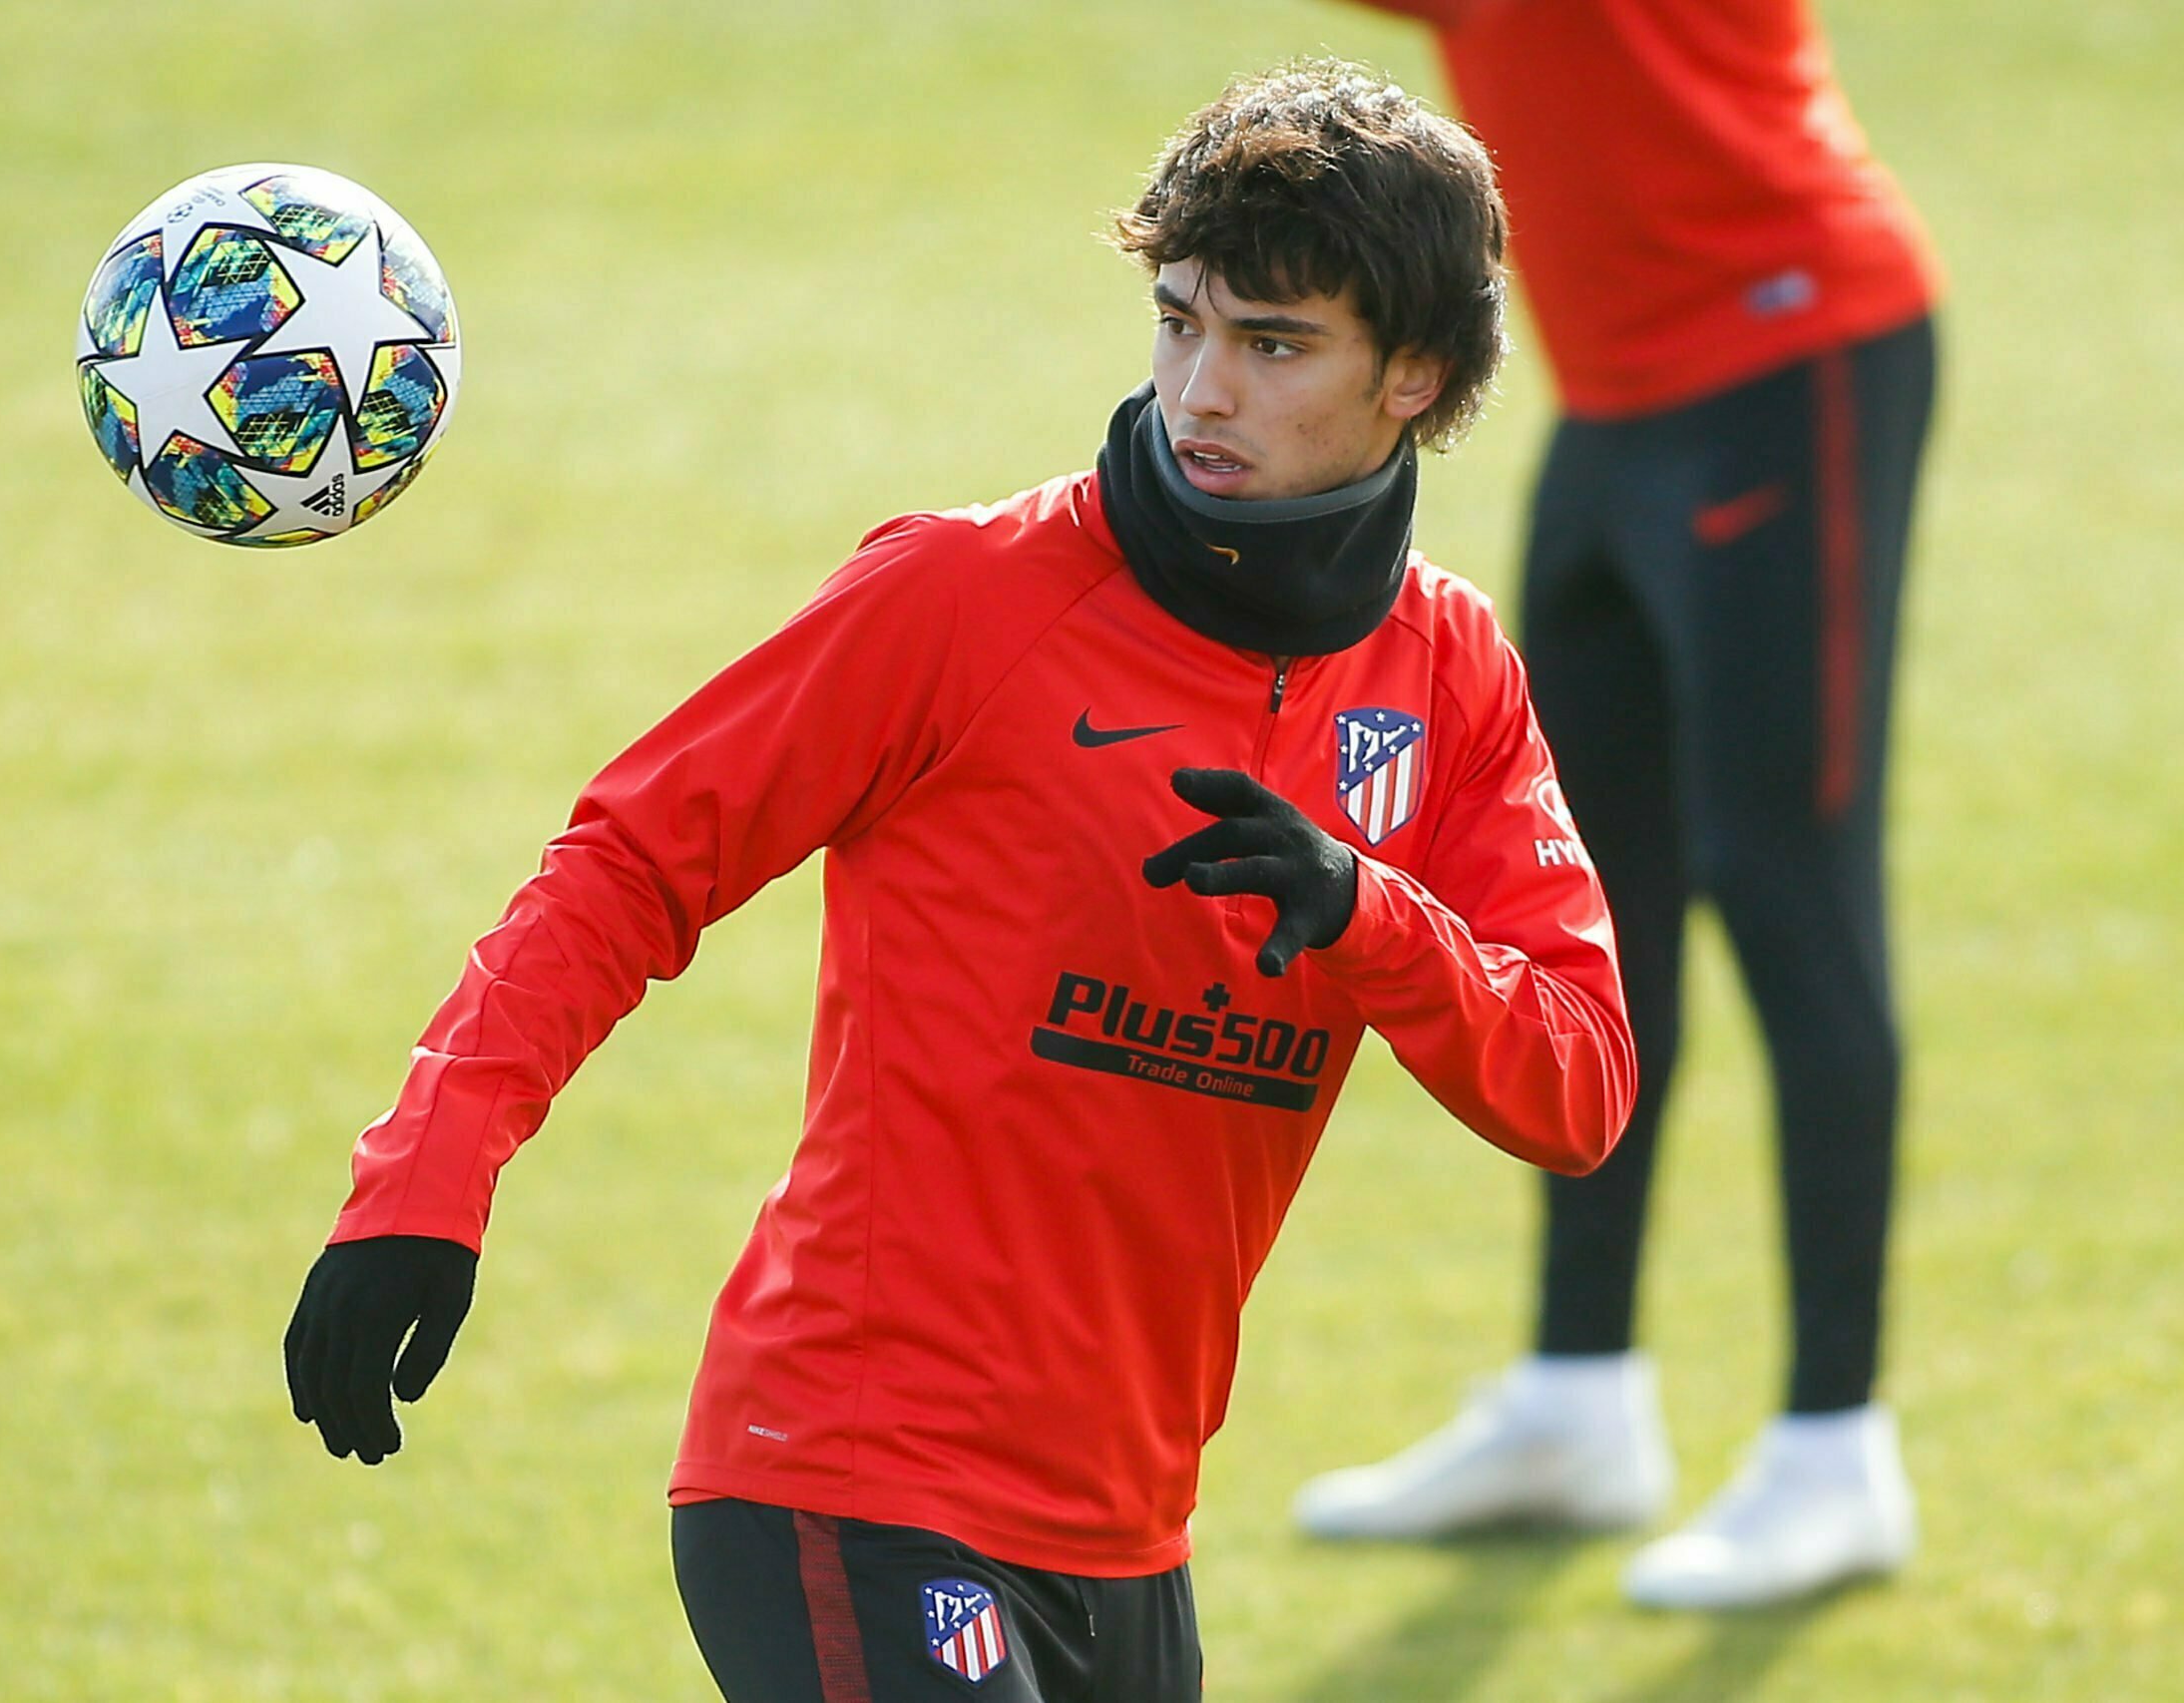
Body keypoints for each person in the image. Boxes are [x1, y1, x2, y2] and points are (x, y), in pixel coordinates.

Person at [283, 61, 1637, 1702]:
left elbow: (1580, 1085)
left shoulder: (1449, 676)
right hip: (850, 1480)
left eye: (1272, 346)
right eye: (1180, 319)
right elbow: (630, 860)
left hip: (1129, 1541)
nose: (1201, 390)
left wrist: (1362, 917)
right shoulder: (960, 598)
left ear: (1414, 375)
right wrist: (422, 1186)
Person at [1288, 0, 1941, 1611]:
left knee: (1787, 890)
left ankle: (1835, 1448)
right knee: (1588, 904)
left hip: (1792, 355)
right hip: (1616, 403)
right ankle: (1581, 1400)